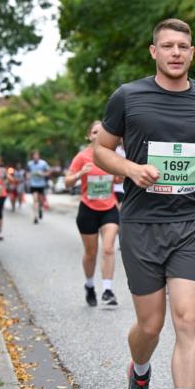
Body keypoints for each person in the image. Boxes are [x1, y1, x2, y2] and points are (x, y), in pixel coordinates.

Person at [93, 18, 195, 389]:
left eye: (184, 46)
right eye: (168, 46)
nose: (176, 52)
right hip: (141, 224)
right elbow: (101, 149)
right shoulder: (128, 97)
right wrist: (131, 169)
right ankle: (139, 369)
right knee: (150, 325)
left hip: (191, 224)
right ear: (153, 51)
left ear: (192, 53)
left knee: (187, 318)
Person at [66, 120, 121, 307]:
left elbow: (119, 178)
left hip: (109, 208)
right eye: (95, 132)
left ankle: (107, 290)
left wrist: (118, 175)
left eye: (102, 132)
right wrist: (81, 172)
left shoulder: (111, 156)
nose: (98, 135)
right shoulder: (82, 157)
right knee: (91, 253)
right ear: (89, 136)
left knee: (108, 248)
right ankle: (89, 285)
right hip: (88, 209)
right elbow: (67, 182)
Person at [27, 150, 50, 223]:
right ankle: (35, 216)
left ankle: (40, 209)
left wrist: (42, 174)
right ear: (32, 157)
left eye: (37, 155)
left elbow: (49, 172)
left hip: (41, 184)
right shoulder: (29, 164)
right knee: (35, 200)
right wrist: (28, 176)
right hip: (33, 184)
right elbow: (27, 173)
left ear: (39, 156)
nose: (35, 157)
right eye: (34, 155)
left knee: (40, 201)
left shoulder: (43, 163)